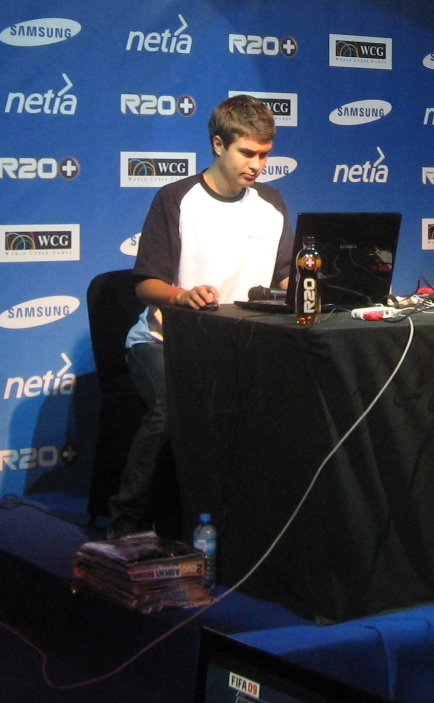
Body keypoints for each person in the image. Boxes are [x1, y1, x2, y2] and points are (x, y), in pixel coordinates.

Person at [107, 95, 294, 537]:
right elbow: (145, 284)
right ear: (218, 144)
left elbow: (285, 276)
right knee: (170, 408)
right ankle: (125, 523)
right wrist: (182, 294)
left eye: (265, 155)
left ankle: (259, 527)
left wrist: (311, 288)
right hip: (163, 343)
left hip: (239, 345)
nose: (257, 165)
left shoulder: (271, 202)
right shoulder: (176, 199)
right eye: (247, 153)